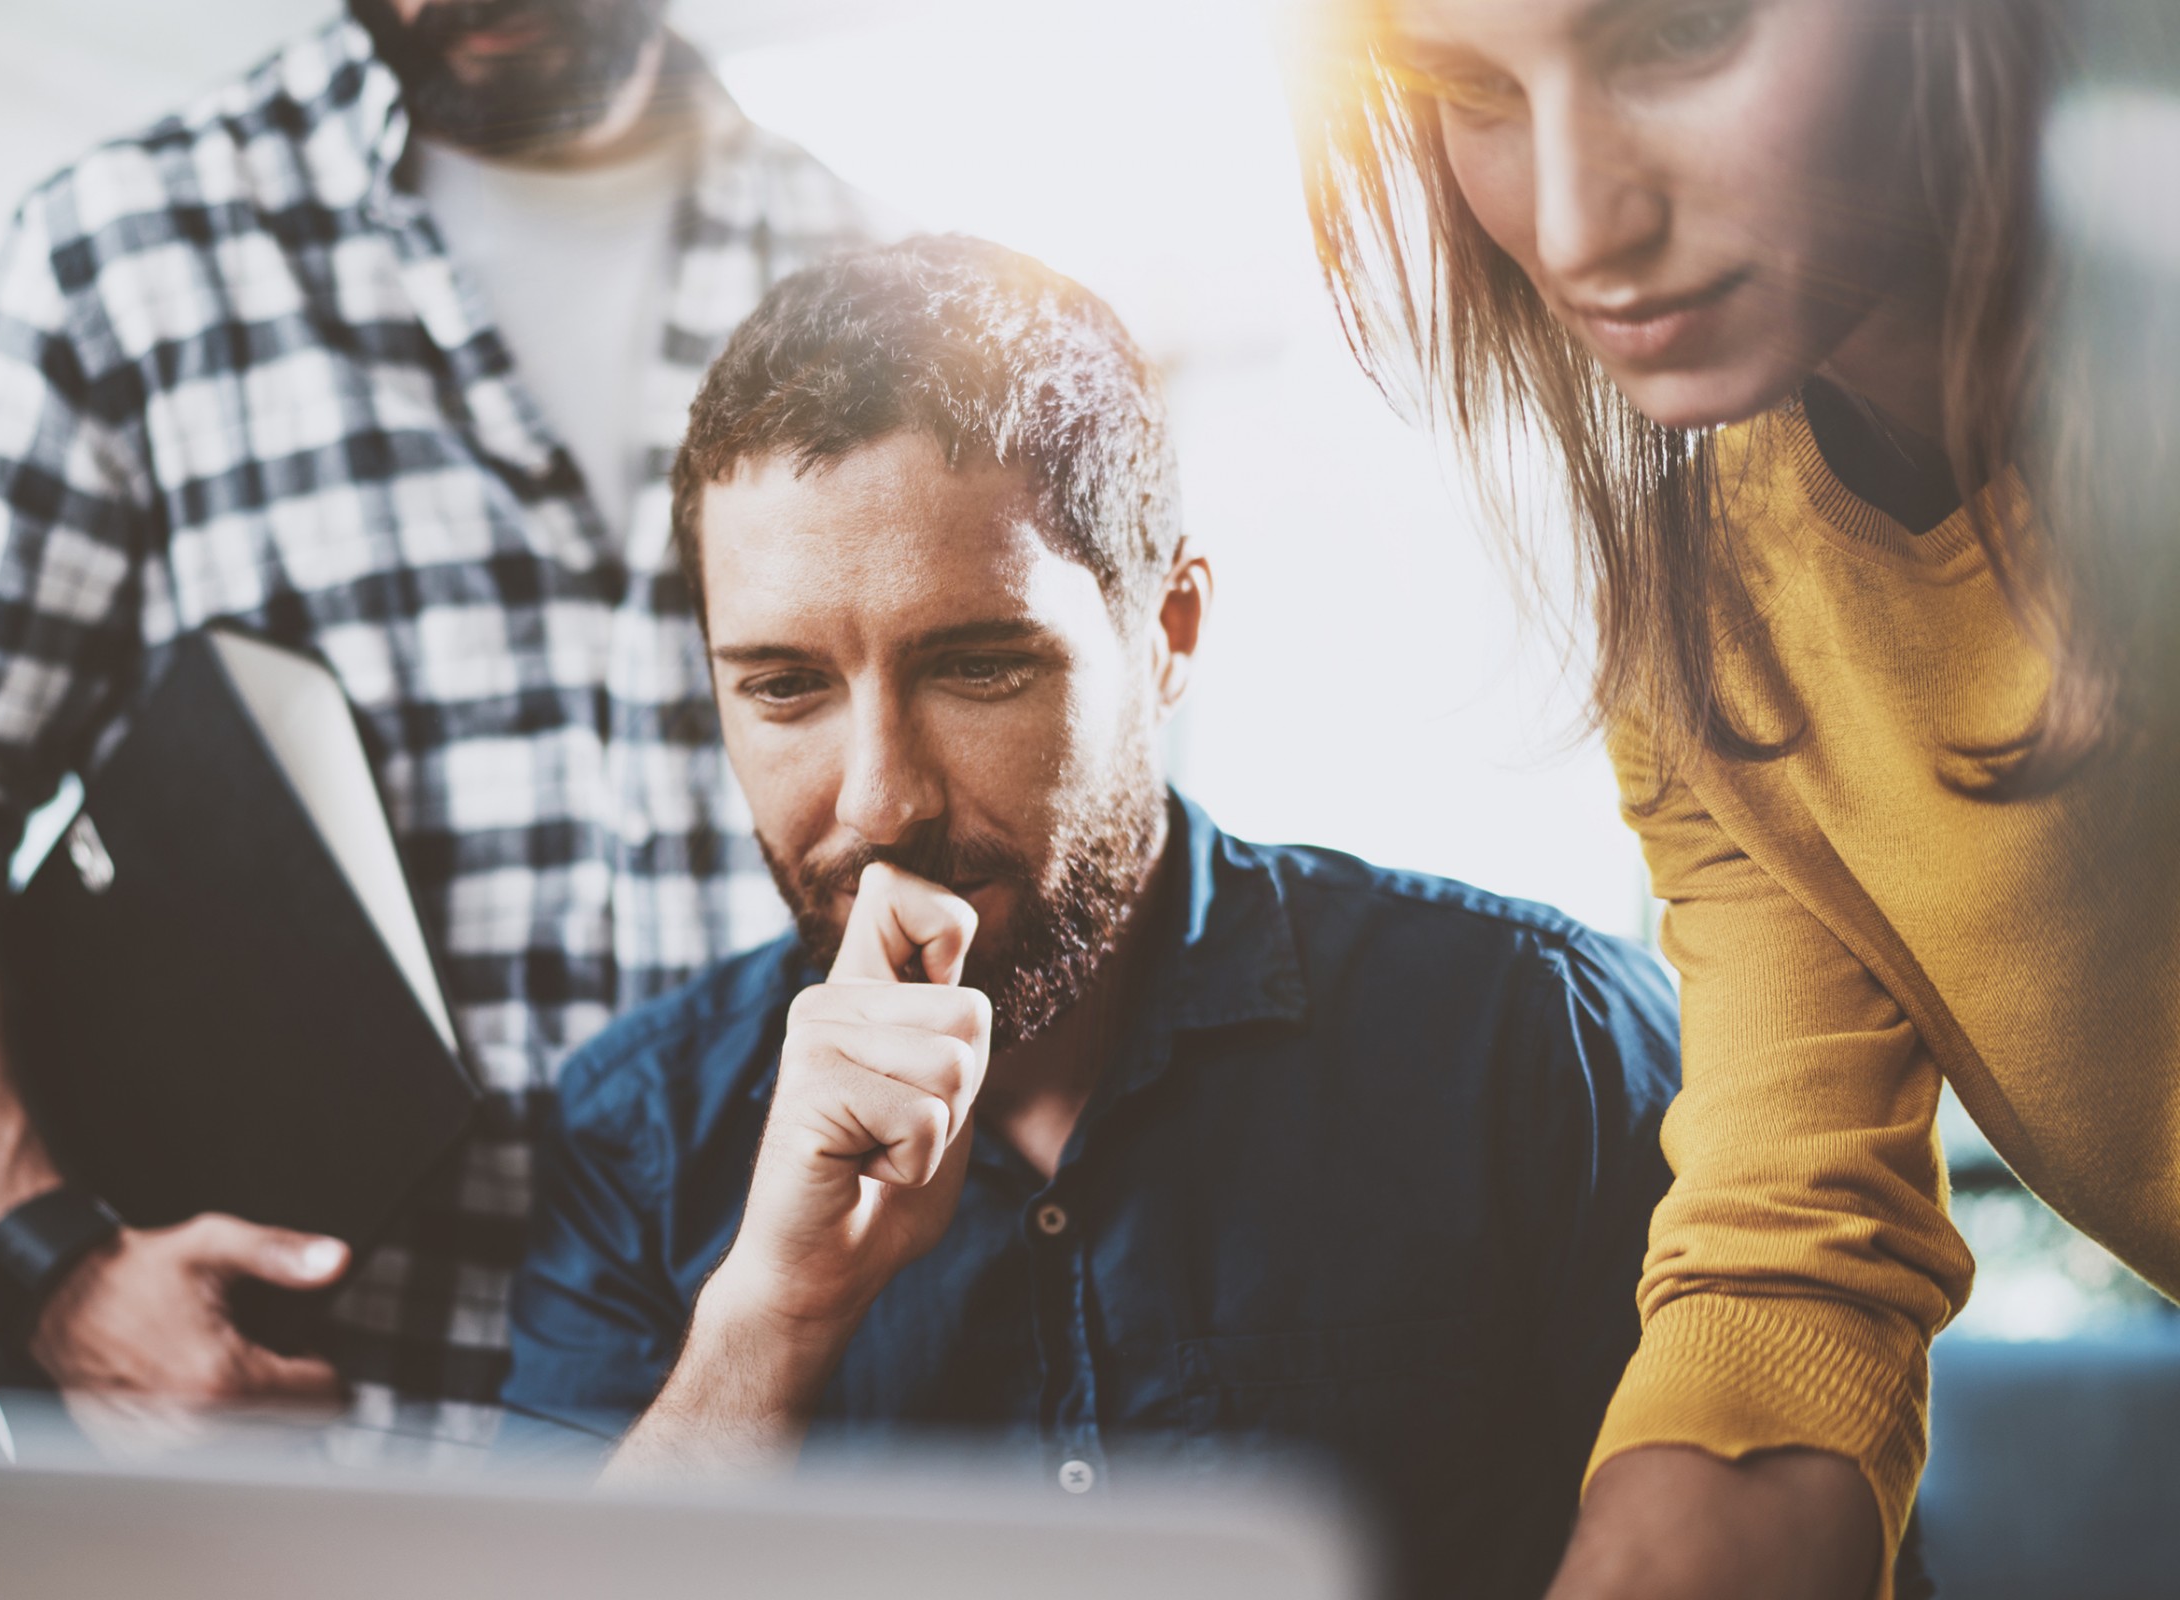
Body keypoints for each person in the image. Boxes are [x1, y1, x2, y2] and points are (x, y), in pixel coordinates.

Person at [497, 236, 1685, 1598]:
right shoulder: (639, 1132)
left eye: (980, 666)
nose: (883, 804)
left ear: (1170, 630)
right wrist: (771, 1316)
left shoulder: (1540, 1043)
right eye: (783, 689)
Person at [0, 0, 867, 1432]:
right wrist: (49, 1269)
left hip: (803, 1461)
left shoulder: (869, 269)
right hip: (319, 1462)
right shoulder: (130, 258)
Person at [1298, 1, 2177, 1595]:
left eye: (1681, 35)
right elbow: (1785, 1279)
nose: (1577, 225)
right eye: (1473, 91)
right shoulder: (1723, 623)